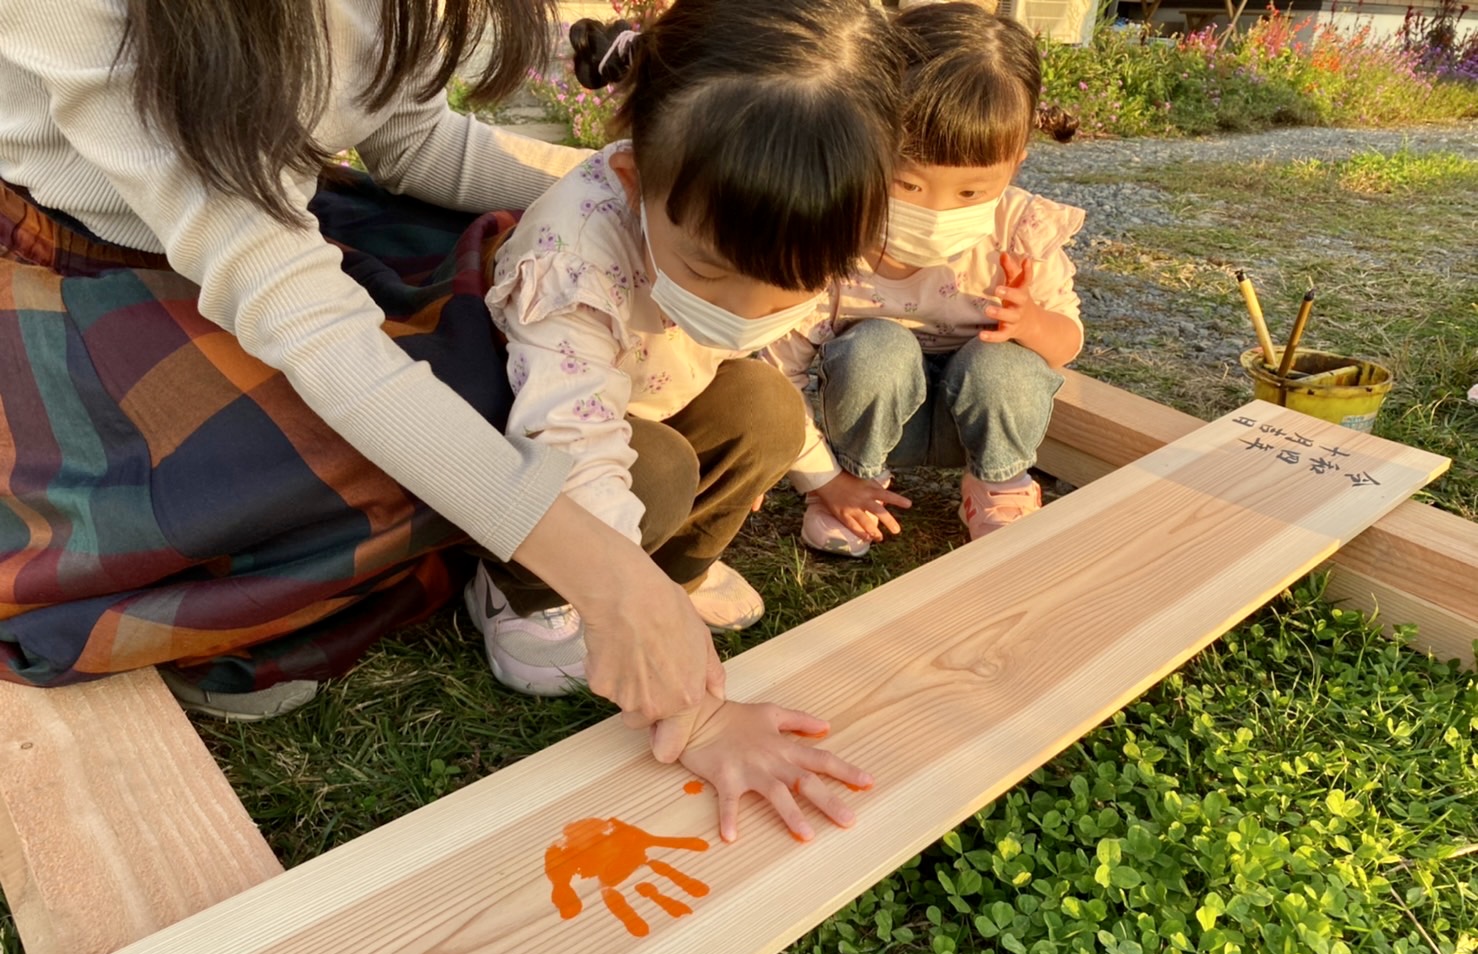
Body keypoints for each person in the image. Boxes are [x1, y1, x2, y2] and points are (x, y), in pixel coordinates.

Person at [0, 0, 727, 748]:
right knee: (486, 403)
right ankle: (261, 604)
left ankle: (418, 544)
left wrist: (663, 200)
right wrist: (614, 582)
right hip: (95, 277)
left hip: (284, 229)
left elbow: (413, 140)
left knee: (523, 304)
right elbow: (298, 311)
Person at [471, 0, 904, 840]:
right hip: (541, 437)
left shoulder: (743, 226)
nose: (745, 312)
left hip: (647, 397)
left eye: (788, 287)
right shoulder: (571, 256)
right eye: (708, 272)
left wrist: (824, 477)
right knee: (657, 466)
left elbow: (756, 365)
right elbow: (571, 444)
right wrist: (690, 706)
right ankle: (524, 596)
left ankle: (678, 576)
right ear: (637, 184)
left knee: (768, 409)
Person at [765, 3, 1085, 558]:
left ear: (1015, 166)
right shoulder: (836, 242)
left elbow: (1068, 344)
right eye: (907, 186)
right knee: (877, 347)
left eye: (970, 193)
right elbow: (780, 373)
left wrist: (1030, 321)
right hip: (877, 418)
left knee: (1007, 362)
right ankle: (855, 483)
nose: (937, 212)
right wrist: (821, 479)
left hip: (977, 418)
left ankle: (999, 481)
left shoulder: (1018, 233)